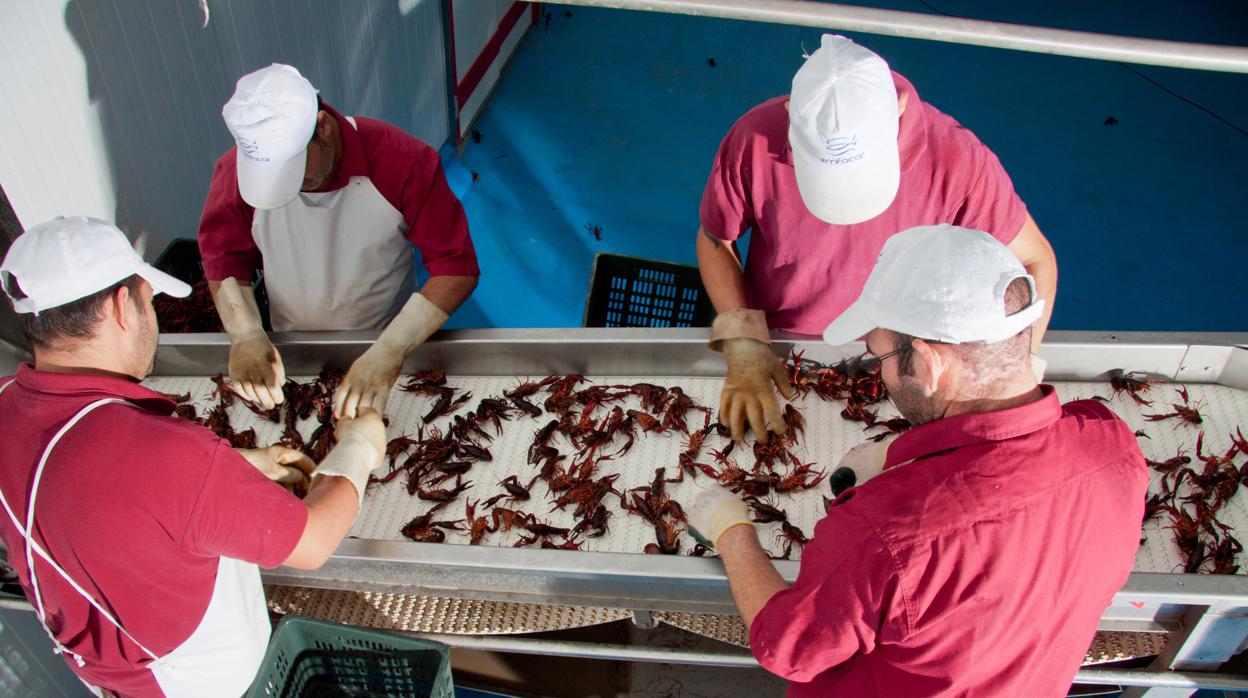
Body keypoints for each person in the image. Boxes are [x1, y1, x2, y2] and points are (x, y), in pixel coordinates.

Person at [688, 225, 1147, 695]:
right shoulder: (1112, 443)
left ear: (928, 363)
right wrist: (906, 458)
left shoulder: (886, 531)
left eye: (879, 355)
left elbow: (788, 649)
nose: (880, 371)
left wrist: (732, 531)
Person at [0, 217, 385, 696]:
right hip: (202, 684)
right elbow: (312, 542)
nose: (152, 315)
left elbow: (102, 498)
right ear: (122, 306)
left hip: (105, 675)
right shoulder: (158, 453)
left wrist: (238, 464)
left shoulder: (6, 405)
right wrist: (358, 447)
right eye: (147, 300)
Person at [699, 34, 1058, 443]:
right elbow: (715, 239)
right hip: (782, 341)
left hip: (911, 358)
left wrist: (1020, 365)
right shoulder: (753, 139)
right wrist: (744, 341)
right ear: (790, 116)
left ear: (900, 108)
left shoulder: (956, 159)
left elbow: (1035, 260)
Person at [198, 63, 479, 419]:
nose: (294, 188)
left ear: (324, 128)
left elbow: (455, 267)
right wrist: (245, 333)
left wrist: (389, 351)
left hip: (386, 334)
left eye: (296, 171)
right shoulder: (232, 173)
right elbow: (224, 258)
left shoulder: (401, 161)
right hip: (288, 348)